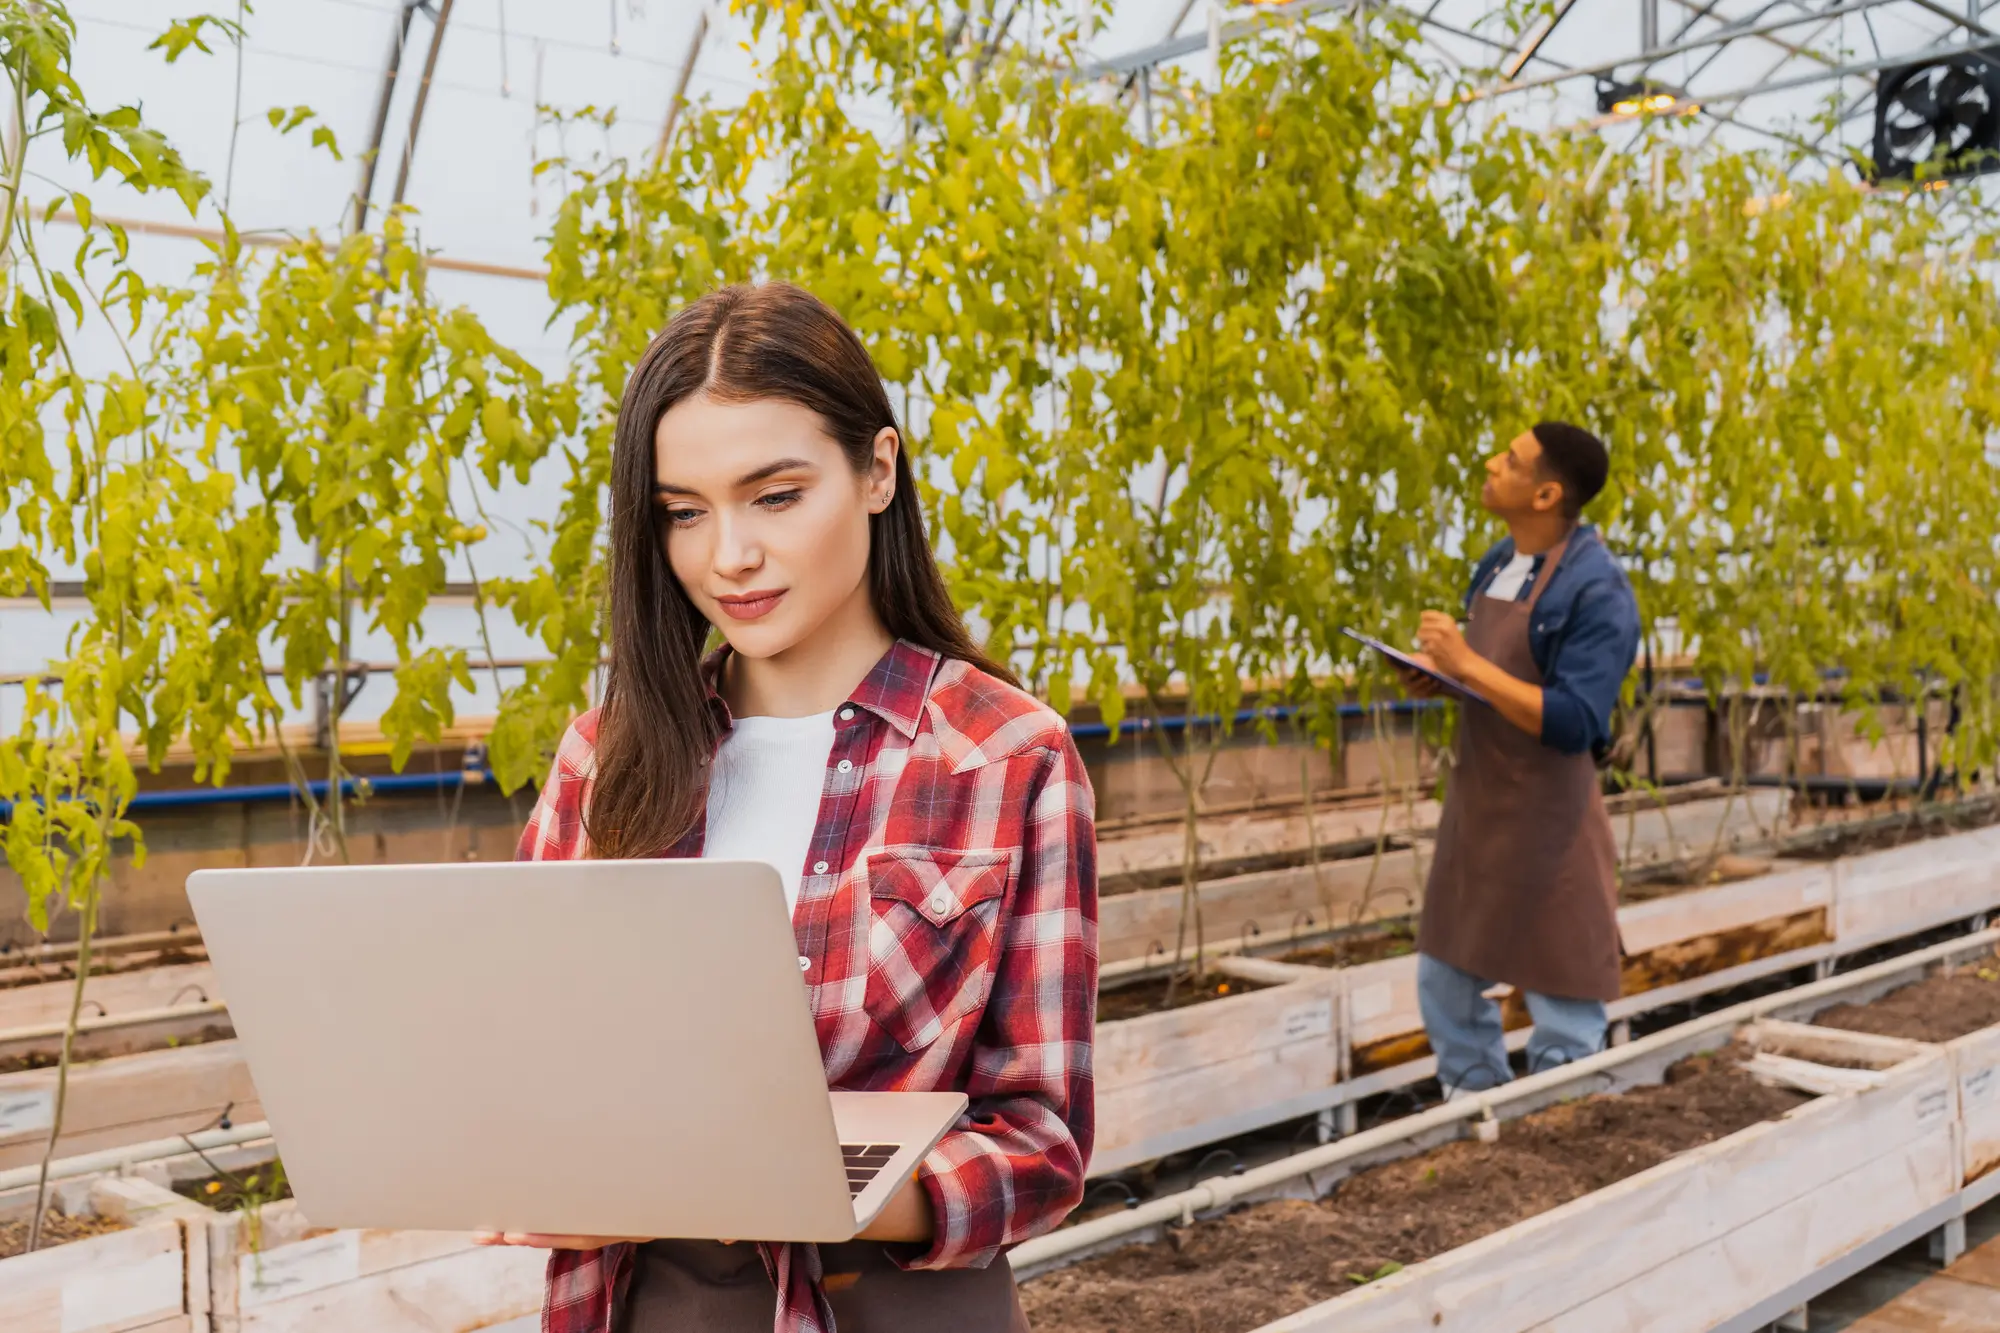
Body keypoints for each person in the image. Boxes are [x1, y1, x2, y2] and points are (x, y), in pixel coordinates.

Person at [475, 282, 1098, 1332]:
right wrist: (532, 1169)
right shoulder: (606, 761)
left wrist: (824, 1193)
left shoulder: (1004, 757)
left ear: (876, 471)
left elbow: (1039, 1137)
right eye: (684, 511)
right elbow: (532, 1067)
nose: (728, 556)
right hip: (653, 1300)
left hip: (892, 1301)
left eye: (773, 496)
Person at [1398, 421, 1640, 1099]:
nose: (1492, 462)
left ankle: (1561, 1129)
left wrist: (1467, 662)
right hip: (1481, 811)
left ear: (1545, 494)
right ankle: (1473, 1110)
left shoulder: (1599, 591)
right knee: (1445, 974)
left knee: (1562, 989)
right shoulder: (1499, 561)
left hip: (1551, 822)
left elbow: (1575, 719)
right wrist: (1439, 674)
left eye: (1510, 460)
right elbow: (1491, 678)